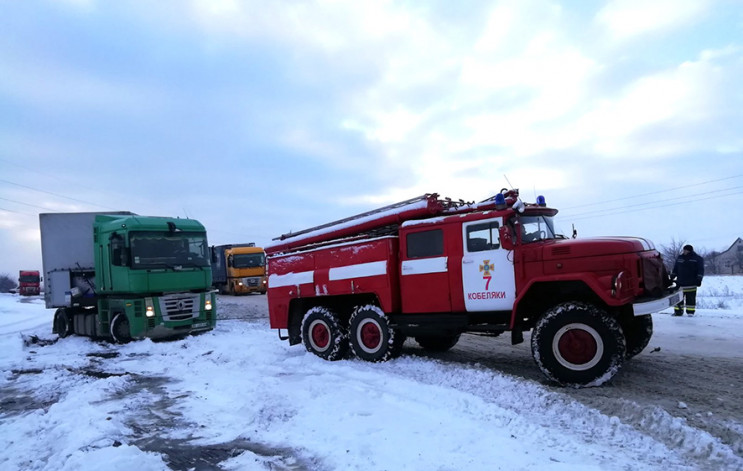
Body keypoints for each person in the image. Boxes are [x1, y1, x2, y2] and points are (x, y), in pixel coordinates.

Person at [671, 244, 704, 316]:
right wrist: (673, 275)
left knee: (691, 299)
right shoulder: (680, 258)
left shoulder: (697, 258)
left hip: (691, 283)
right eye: (684, 250)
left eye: (685, 250)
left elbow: (700, 270)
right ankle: (678, 312)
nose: (684, 251)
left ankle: (690, 312)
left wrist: (699, 279)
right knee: (678, 298)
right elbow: (676, 268)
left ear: (689, 251)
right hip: (680, 282)